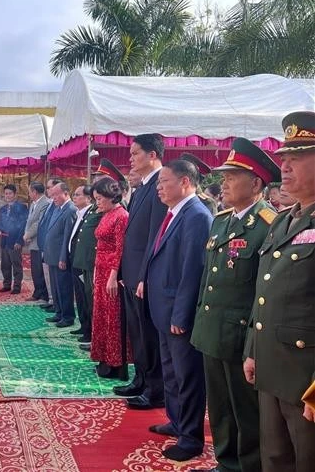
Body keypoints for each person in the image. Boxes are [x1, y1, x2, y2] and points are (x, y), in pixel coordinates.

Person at [190, 137, 280, 472]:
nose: (223, 183)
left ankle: (248, 466)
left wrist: (253, 345)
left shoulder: (270, 224)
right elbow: (208, 278)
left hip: (241, 336)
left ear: (256, 183)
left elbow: (264, 290)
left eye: (231, 177)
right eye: (223, 176)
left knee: (247, 412)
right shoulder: (221, 220)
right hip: (212, 330)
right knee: (220, 407)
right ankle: (226, 462)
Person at [243, 110, 315, 472]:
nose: (284, 167)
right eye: (284, 159)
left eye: (297, 158)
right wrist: (253, 351)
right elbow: (264, 291)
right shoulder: (286, 220)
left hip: (306, 380)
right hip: (273, 367)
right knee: (274, 459)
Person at [145, 159, 213, 461]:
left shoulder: (196, 214)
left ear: (185, 182)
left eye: (165, 182)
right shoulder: (174, 212)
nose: (159, 188)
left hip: (177, 313)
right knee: (171, 372)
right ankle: (177, 421)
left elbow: (192, 269)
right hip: (163, 308)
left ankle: (191, 437)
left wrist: (181, 314)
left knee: (187, 376)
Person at [115, 133, 167, 410]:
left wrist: (145, 276)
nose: (131, 159)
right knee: (136, 333)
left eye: (136, 154)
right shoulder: (142, 188)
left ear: (152, 155)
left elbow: (154, 238)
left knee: (148, 335)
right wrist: (125, 270)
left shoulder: (160, 186)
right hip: (132, 275)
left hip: (143, 278)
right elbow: (132, 236)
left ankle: (155, 389)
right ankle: (141, 379)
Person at [91, 177, 129, 380]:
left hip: (111, 273)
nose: (97, 202)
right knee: (101, 316)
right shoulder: (106, 214)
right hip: (101, 270)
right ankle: (104, 358)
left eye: (99, 198)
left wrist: (114, 276)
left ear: (109, 196)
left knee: (113, 318)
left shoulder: (121, 216)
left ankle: (116, 363)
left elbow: (121, 249)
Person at [42, 182, 77, 327]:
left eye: (56, 194)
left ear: (66, 193)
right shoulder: (57, 208)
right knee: (56, 287)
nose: (53, 197)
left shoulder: (70, 210)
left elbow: (67, 237)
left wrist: (63, 257)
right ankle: (59, 312)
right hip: (52, 255)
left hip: (61, 257)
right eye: (52, 194)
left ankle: (67, 316)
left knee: (64, 287)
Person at [68, 184, 96, 344]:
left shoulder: (92, 214)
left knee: (87, 299)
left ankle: (89, 332)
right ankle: (84, 326)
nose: (75, 197)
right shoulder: (80, 214)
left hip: (85, 263)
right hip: (76, 260)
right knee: (80, 297)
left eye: (78, 195)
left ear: (88, 198)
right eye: (75, 194)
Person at [0, 184, 28, 294]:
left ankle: (17, 286)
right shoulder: (3, 209)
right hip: (4, 241)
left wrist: (19, 240)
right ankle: (7, 284)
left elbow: (23, 225)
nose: (7, 196)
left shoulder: (22, 208)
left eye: (10, 193)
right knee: (5, 264)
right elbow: (0, 223)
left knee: (16, 264)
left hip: (15, 241)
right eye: (6, 194)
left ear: (15, 194)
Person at [37, 177, 63, 312]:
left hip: (54, 249)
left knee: (54, 278)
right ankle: (52, 299)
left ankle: (56, 302)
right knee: (48, 276)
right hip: (45, 246)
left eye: (50, 187)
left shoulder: (60, 206)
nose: (47, 190)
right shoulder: (51, 204)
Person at [23, 182, 50, 302]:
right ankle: (37, 292)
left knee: (40, 270)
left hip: (40, 242)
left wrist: (28, 234)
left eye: (30, 191)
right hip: (33, 242)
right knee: (35, 269)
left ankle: (43, 294)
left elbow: (39, 222)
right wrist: (26, 234)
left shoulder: (45, 203)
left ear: (34, 192)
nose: (29, 194)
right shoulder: (34, 204)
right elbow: (29, 221)